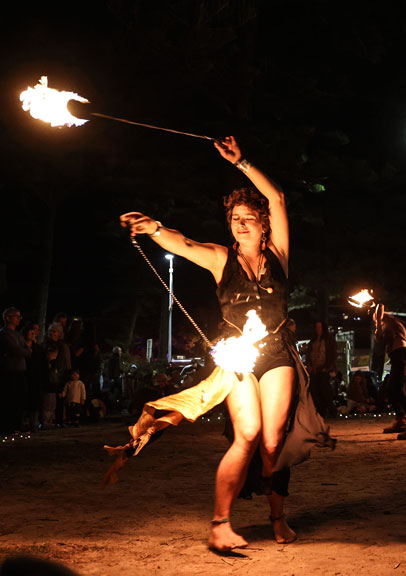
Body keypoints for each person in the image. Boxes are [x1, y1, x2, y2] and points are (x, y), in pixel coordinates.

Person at [114, 136, 333, 552]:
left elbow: (278, 197)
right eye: (235, 218)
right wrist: (153, 228)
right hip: (238, 359)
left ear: (264, 223)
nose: (241, 223)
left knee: (272, 443)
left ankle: (276, 516)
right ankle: (220, 524)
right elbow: (184, 243)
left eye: (249, 217)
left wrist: (242, 161)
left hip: (277, 354)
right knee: (247, 434)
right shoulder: (220, 258)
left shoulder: (280, 255)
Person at [373, 303, 406, 439]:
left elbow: (380, 306)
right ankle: (401, 421)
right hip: (400, 355)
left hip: (400, 354)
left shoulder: (389, 324)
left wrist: (377, 323)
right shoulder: (393, 327)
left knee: (399, 390)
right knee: (391, 389)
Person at [0, 307, 31, 434]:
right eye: (16, 316)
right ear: (7, 318)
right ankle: (6, 426)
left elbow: (26, 349)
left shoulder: (17, 334)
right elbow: (15, 350)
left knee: (19, 399)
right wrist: (24, 351)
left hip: (20, 369)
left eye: (19, 316)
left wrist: (24, 351)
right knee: (8, 399)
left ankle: (17, 424)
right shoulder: (3, 333)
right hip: (8, 371)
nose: (19, 319)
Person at [305, 320, 337, 418]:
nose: (318, 330)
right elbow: (309, 353)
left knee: (325, 391)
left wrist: (327, 367)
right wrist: (309, 365)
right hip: (314, 370)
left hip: (324, 369)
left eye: (320, 327)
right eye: (317, 327)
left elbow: (332, 354)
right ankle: (320, 411)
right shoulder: (313, 340)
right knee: (315, 391)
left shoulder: (329, 340)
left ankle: (331, 410)